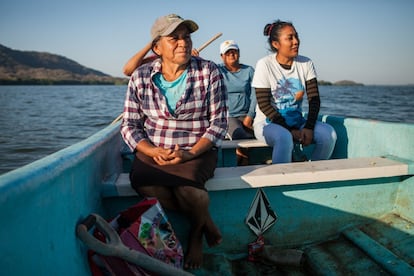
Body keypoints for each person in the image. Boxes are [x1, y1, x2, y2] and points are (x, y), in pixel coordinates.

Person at [120, 14, 228, 269]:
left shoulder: (208, 71)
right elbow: (130, 125)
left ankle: (195, 236)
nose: (183, 43)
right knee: (146, 184)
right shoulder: (141, 76)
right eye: (174, 38)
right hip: (154, 149)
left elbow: (219, 124)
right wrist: (151, 149)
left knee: (190, 191)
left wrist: (190, 154)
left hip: (197, 148)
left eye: (187, 37)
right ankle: (207, 223)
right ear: (157, 48)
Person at [252, 20, 337, 164]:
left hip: (297, 121)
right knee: (284, 138)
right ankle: (280, 182)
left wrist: (309, 127)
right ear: (276, 44)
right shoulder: (264, 64)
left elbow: (314, 99)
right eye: (289, 38)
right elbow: (264, 104)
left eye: (296, 36)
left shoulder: (306, 63)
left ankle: (312, 173)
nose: (296, 41)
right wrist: (290, 130)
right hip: (267, 124)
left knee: (329, 135)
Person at [218, 40, 256, 165]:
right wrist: (194, 57)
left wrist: (250, 115)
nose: (231, 55)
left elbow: (255, 94)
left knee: (267, 129)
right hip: (229, 116)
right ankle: (243, 159)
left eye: (234, 51)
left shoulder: (249, 70)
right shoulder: (218, 70)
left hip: (247, 114)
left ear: (239, 53)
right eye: (228, 53)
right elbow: (201, 66)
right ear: (222, 56)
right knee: (239, 134)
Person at [123, 42, 199, 76]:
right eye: (173, 38)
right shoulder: (154, 60)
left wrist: (189, 58)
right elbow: (128, 71)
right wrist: (152, 43)